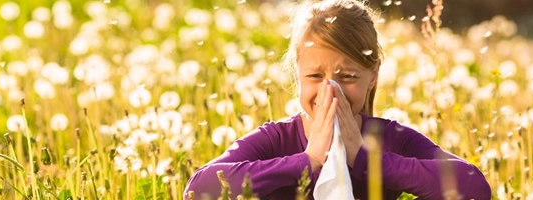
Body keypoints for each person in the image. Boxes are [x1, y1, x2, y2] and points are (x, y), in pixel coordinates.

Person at [184, 0, 492, 199]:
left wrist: (366, 158)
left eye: (347, 77)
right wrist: (307, 161)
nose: (330, 91)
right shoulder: (276, 139)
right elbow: (199, 190)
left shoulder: (389, 139)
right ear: (297, 74)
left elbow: (474, 188)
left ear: (373, 76)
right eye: (315, 77)